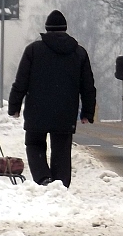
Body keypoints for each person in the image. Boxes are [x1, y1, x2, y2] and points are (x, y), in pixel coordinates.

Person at [8, 10, 96, 187]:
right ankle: (60, 184)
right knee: (62, 149)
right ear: (65, 29)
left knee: (34, 144)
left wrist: (14, 106)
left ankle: (43, 178)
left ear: (46, 29)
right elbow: (87, 86)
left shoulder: (33, 51)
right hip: (65, 111)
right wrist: (87, 111)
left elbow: (21, 82)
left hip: (36, 111)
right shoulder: (79, 53)